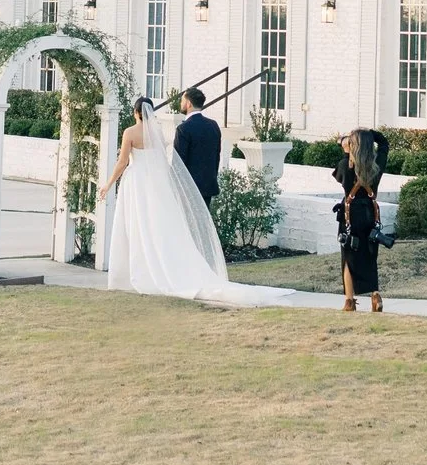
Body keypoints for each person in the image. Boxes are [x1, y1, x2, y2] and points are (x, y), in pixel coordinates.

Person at [96, 98, 296, 308]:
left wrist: (108, 184)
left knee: (137, 226)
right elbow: (163, 162)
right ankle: (160, 268)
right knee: (157, 227)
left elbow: (122, 162)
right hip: (155, 183)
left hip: (136, 181)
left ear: (136, 112)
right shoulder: (158, 134)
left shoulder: (130, 133)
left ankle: (137, 273)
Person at [334, 127, 389, 314]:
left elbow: (339, 177)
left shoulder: (345, 166)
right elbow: (384, 144)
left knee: (348, 257)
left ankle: (350, 300)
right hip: (370, 214)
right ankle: (375, 296)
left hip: (351, 215)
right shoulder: (377, 165)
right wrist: (370, 135)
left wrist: (345, 147)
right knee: (370, 256)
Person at [171, 87, 222, 208]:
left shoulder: (183, 129)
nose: (181, 103)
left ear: (188, 103)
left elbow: (178, 162)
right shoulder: (213, 125)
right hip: (208, 185)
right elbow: (216, 157)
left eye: (182, 100)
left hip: (189, 189)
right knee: (204, 224)